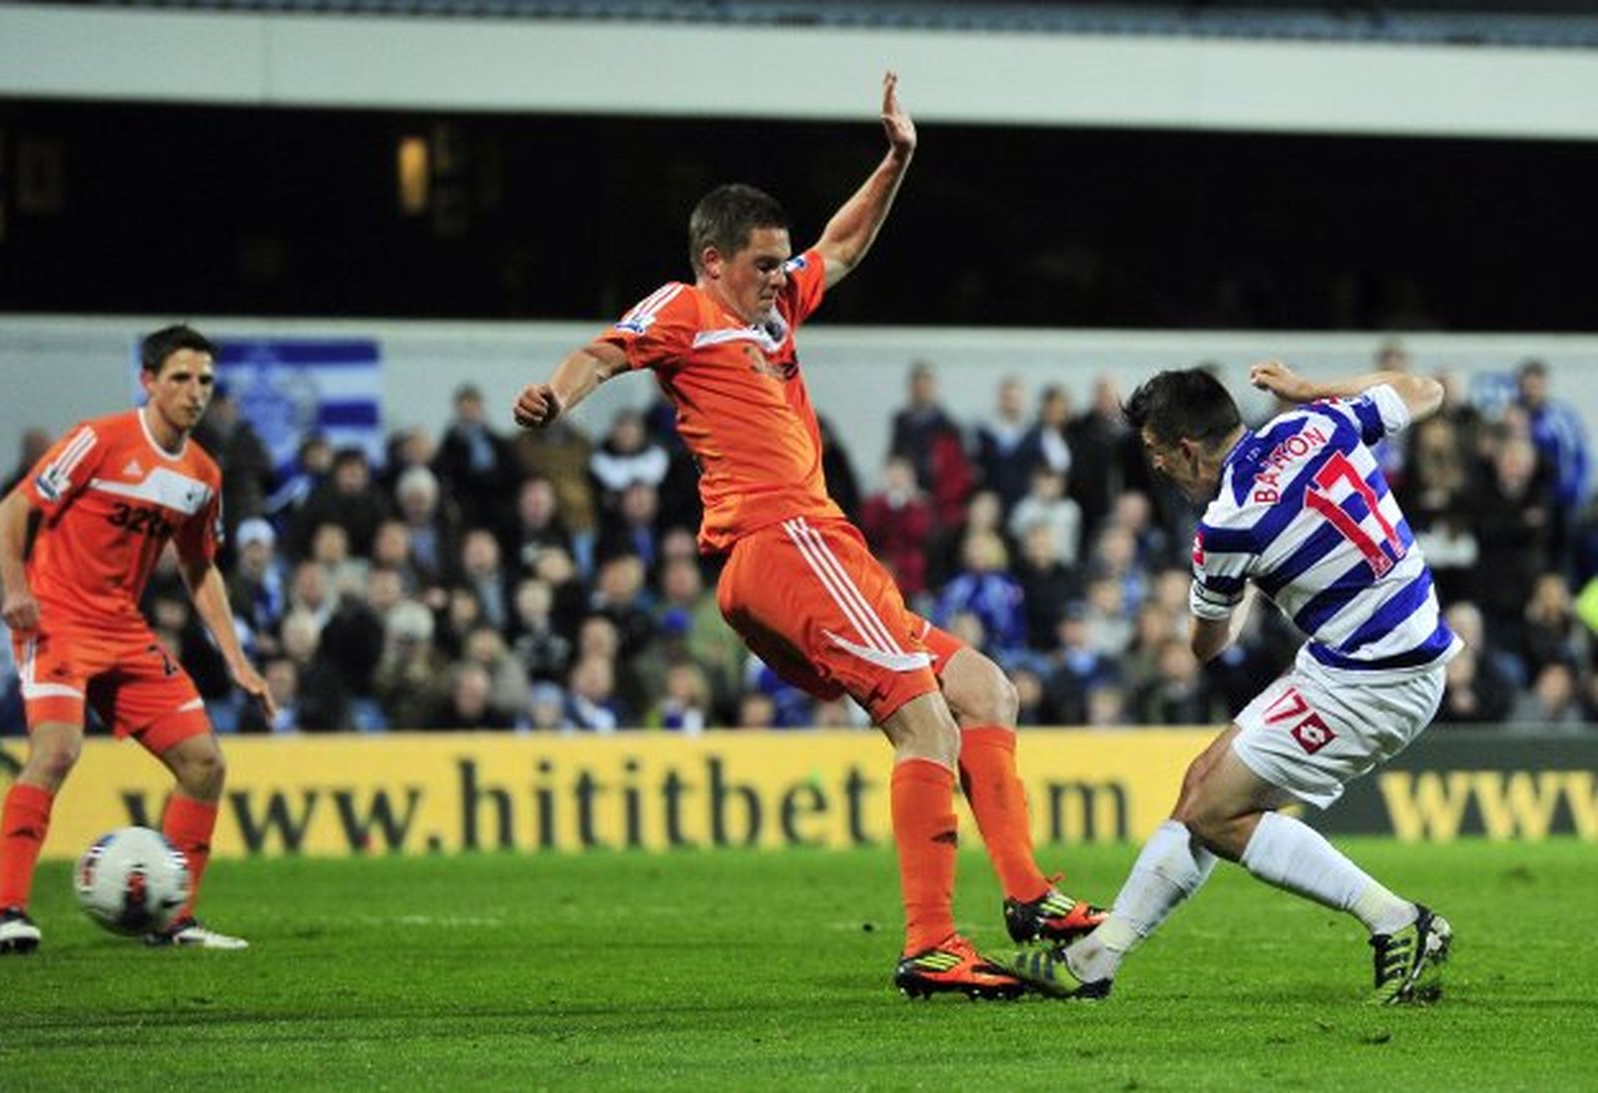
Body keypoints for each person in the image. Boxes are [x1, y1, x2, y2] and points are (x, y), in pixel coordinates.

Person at [511, 73, 1102, 1001]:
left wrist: (898, 158)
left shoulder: (776, 308)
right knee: (922, 716)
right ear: (713, 261)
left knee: (985, 688)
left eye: (781, 262)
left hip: (819, 547)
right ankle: (933, 942)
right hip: (778, 537)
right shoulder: (685, 309)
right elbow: (600, 353)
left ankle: (1029, 895)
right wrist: (553, 397)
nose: (778, 275)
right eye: (761, 263)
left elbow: (845, 245)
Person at [1011, 361, 1457, 1005]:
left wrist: (1236, 580)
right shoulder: (1313, 423)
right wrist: (1310, 388)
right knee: (1200, 786)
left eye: (1157, 451)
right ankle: (1095, 958)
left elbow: (1206, 645)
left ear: (1187, 449)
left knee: (1215, 814)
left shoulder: (1228, 525)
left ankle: (1397, 922)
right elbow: (1427, 390)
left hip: (1377, 680)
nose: (1157, 467)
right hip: (1369, 653)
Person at [0, 324, 275, 955]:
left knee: (205, 764)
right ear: (147, 381)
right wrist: (16, 589)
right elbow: (12, 510)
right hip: (56, 618)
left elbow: (200, 570)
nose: (194, 393)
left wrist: (238, 660)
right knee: (56, 751)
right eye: (180, 378)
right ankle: (7, 912)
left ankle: (175, 922)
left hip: (123, 630)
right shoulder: (98, 440)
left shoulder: (201, 475)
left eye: (204, 381)